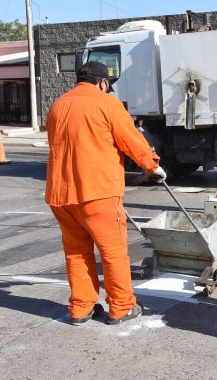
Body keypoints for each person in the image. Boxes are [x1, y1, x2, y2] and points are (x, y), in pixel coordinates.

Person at [45, 61, 166, 326]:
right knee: (112, 252)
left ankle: (81, 308)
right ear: (102, 82)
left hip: (61, 194)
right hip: (97, 192)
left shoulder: (57, 105)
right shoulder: (106, 103)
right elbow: (131, 139)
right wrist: (153, 165)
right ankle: (121, 307)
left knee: (76, 252)